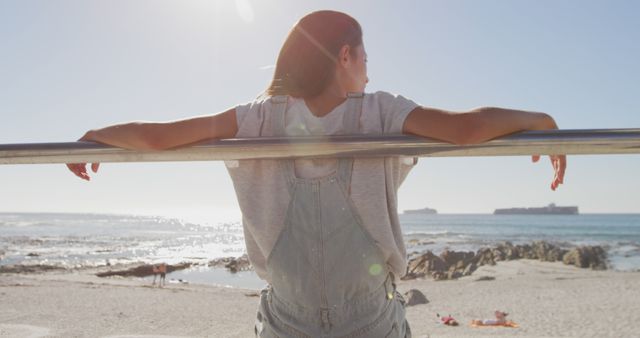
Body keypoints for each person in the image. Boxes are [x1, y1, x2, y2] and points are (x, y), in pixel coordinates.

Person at [66, 10, 566, 337]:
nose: (368, 74)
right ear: (344, 56)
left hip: (288, 322)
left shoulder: (257, 118)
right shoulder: (380, 113)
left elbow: (162, 136)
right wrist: (537, 121)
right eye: (364, 59)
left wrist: (97, 135)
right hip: (369, 322)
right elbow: (467, 127)